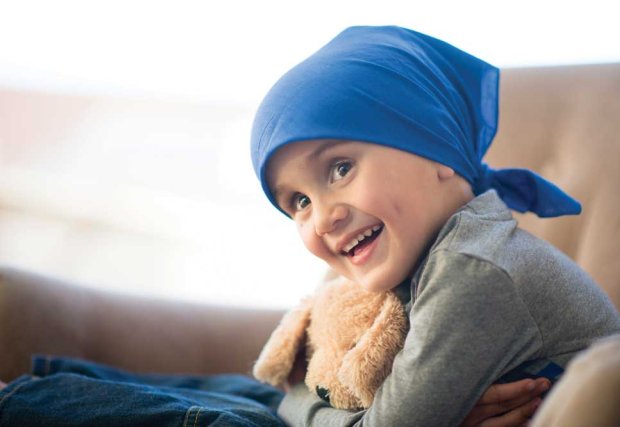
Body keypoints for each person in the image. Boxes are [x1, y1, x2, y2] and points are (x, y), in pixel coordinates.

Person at [250, 25, 620, 426]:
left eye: (341, 169)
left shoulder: (472, 268)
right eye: (300, 202)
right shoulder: (404, 258)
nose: (323, 219)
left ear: (435, 147)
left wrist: (292, 403)